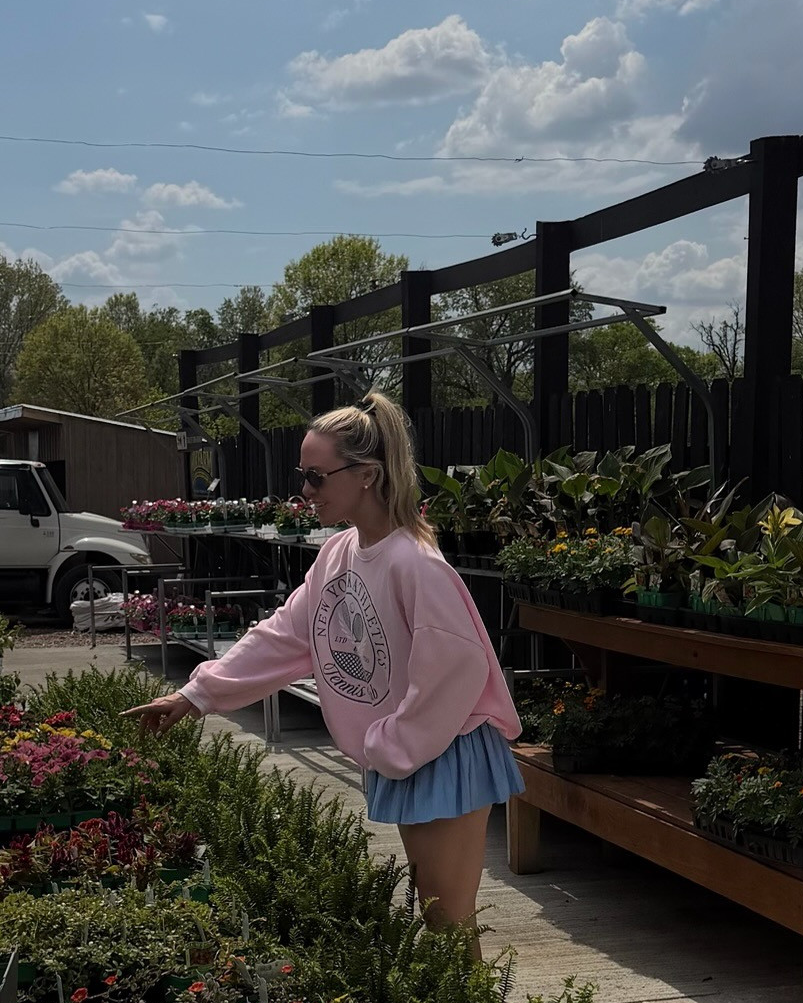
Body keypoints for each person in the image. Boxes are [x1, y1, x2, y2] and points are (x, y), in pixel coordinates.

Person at [124, 391, 522, 935]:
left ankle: (473, 1000)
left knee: (448, 921)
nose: (305, 491)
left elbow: (455, 669)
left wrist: (390, 744)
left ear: (367, 475)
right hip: (408, 750)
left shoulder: (415, 564)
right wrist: (195, 695)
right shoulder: (338, 553)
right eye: (302, 475)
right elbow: (287, 634)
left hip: (445, 748)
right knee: (440, 920)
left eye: (316, 477)